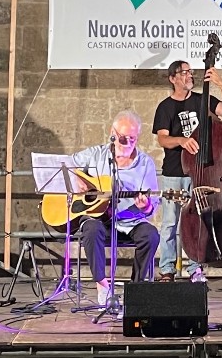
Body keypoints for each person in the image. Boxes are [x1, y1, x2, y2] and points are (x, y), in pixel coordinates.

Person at [153, 60, 222, 283]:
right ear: (173, 78)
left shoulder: (203, 100)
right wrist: (181, 140)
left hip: (200, 172)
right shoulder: (165, 107)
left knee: (198, 222)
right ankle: (167, 269)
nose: (190, 75)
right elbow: (162, 139)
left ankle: (195, 268)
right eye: (184, 72)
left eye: (191, 72)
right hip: (174, 173)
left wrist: (220, 83)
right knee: (170, 223)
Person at [74, 110, 160, 305]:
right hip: (99, 219)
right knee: (91, 228)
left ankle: (136, 289)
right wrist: (77, 180)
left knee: (151, 235)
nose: (127, 143)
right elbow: (65, 166)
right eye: (122, 138)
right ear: (112, 133)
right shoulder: (96, 155)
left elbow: (151, 206)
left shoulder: (145, 163)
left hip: (130, 221)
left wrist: (145, 206)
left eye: (132, 139)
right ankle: (102, 285)